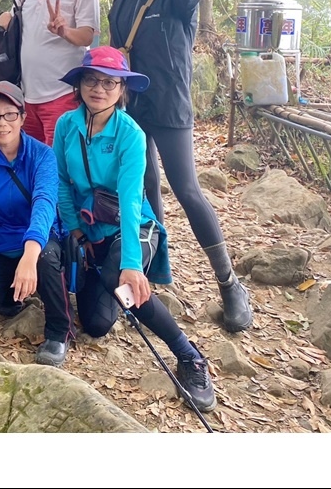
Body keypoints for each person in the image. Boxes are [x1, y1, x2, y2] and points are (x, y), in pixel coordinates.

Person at [53, 46, 217, 412]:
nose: (100, 89)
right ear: (79, 84)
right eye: (92, 80)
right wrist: (76, 230)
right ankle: (125, 295)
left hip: (136, 227)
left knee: (121, 276)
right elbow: (63, 183)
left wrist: (129, 263)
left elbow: (130, 199)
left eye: (110, 82)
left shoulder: (131, 134)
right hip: (91, 230)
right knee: (95, 325)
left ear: (122, 89)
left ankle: (189, 356)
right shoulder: (66, 126)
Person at [109, 0, 253, 332]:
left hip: (170, 102)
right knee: (142, 185)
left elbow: (185, 0)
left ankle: (229, 284)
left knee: (187, 189)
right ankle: (151, 277)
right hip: (132, 102)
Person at [0, 82, 73, 367]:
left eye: (9, 114)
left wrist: (29, 255)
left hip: (38, 241)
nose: (2, 123)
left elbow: (45, 203)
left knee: (45, 258)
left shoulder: (42, 155)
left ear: (22, 117)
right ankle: (15, 293)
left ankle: (59, 331)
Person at [0, 0, 100, 146]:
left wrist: (64, 31)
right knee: (33, 162)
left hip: (64, 95)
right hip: (26, 96)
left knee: (59, 166)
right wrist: (4, 21)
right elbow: (17, 32)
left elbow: (87, 36)